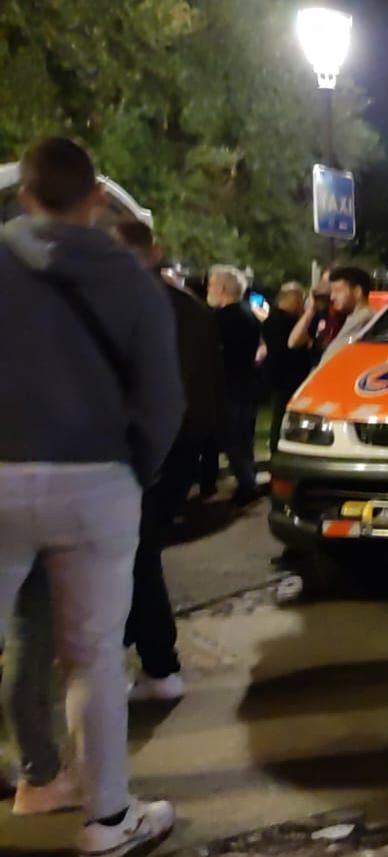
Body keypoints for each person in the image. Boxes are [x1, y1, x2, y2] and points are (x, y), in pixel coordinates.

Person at [0, 136, 181, 857]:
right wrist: (137, 466)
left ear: (24, 196)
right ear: (97, 199)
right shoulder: (133, 281)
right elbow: (162, 398)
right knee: (93, 656)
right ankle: (106, 819)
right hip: (97, 478)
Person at [110, 221, 224, 699]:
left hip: (153, 449)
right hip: (181, 445)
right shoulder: (189, 309)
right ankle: (151, 656)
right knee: (140, 551)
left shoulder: (141, 308)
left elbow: (154, 391)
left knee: (136, 553)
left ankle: (156, 660)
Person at [205, 264, 263, 505]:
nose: (208, 289)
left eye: (211, 284)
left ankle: (247, 485)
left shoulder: (220, 319)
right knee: (243, 437)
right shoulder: (249, 315)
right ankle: (248, 480)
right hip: (247, 384)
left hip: (229, 386)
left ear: (222, 288)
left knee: (232, 438)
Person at [261, 282, 318, 453]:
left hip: (276, 376)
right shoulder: (288, 321)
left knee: (278, 415)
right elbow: (299, 344)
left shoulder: (271, 320)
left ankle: (276, 447)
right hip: (290, 377)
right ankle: (279, 447)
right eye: (300, 300)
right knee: (282, 416)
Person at [322, 265, 376, 359]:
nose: (332, 297)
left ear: (357, 292)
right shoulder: (354, 319)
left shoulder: (365, 322)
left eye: (338, 291)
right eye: (332, 292)